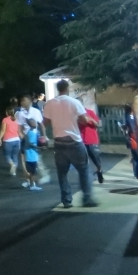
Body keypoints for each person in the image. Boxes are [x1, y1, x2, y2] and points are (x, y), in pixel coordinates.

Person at [43, 80, 98, 209]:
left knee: (62, 173)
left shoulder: (50, 103)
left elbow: (44, 122)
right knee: (83, 170)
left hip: (59, 142)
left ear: (58, 88)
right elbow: (84, 121)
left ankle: (66, 200)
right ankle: (87, 198)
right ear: (67, 88)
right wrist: (87, 119)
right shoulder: (74, 102)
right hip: (74, 141)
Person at [15, 95, 49, 183]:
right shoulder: (20, 113)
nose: (23, 102)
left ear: (30, 102)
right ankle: (29, 179)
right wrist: (21, 135)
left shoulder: (35, 112)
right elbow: (20, 126)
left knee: (36, 157)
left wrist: (44, 136)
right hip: (25, 137)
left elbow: (41, 125)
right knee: (25, 158)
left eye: (25, 100)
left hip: (34, 136)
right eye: (22, 101)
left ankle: (43, 174)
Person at [0, 107, 22, 177]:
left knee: (7, 155)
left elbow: (3, 130)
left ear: (6, 113)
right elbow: (19, 131)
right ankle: (14, 172)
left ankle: (12, 164)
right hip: (17, 140)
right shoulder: (17, 120)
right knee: (15, 156)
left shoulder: (5, 120)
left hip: (8, 141)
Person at [82, 107, 104, 184]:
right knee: (83, 161)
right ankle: (86, 178)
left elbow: (98, 125)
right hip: (81, 141)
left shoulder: (90, 112)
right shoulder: (75, 114)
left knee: (97, 160)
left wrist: (91, 119)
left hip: (92, 140)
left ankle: (99, 171)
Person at [21, 118, 43, 191]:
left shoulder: (34, 132)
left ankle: (30, 182)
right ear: (30, 124)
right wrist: (39, 147)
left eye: (35, 122)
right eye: (33, 122)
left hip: (33, 154)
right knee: (32, 171)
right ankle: (32, 185)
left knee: (33, 171)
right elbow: (29, 144)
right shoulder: (30, 133)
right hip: (31, 155)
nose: (35, 123)